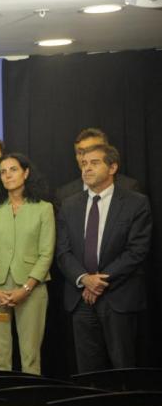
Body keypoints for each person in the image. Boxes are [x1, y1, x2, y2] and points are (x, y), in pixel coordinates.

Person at [55, 144, 152, 372]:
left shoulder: (135, 202)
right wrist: (84, 279)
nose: (86, 168)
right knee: (88, 371)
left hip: (118, 296)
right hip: (80, 300)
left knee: (123, 368)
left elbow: (136, 250)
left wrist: (98, 281)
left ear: (113, 167)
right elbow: (63, 251)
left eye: (94, 163)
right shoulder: (69, 205)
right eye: (84, 163)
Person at [0, 153, 55, 374]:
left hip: (31, 288)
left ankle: (30, 402)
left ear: (26, 172)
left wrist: (26, 288)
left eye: (13, 169)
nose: (7, 175)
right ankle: (2, 404)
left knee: (30, 355)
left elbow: (46, 254)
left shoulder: (43, 208)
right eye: (3, 172)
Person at [56, 128, 142, 206]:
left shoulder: (128, 188)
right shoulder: (64, 195)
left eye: (92, 151)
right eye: (81, 152)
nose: (85, 158)